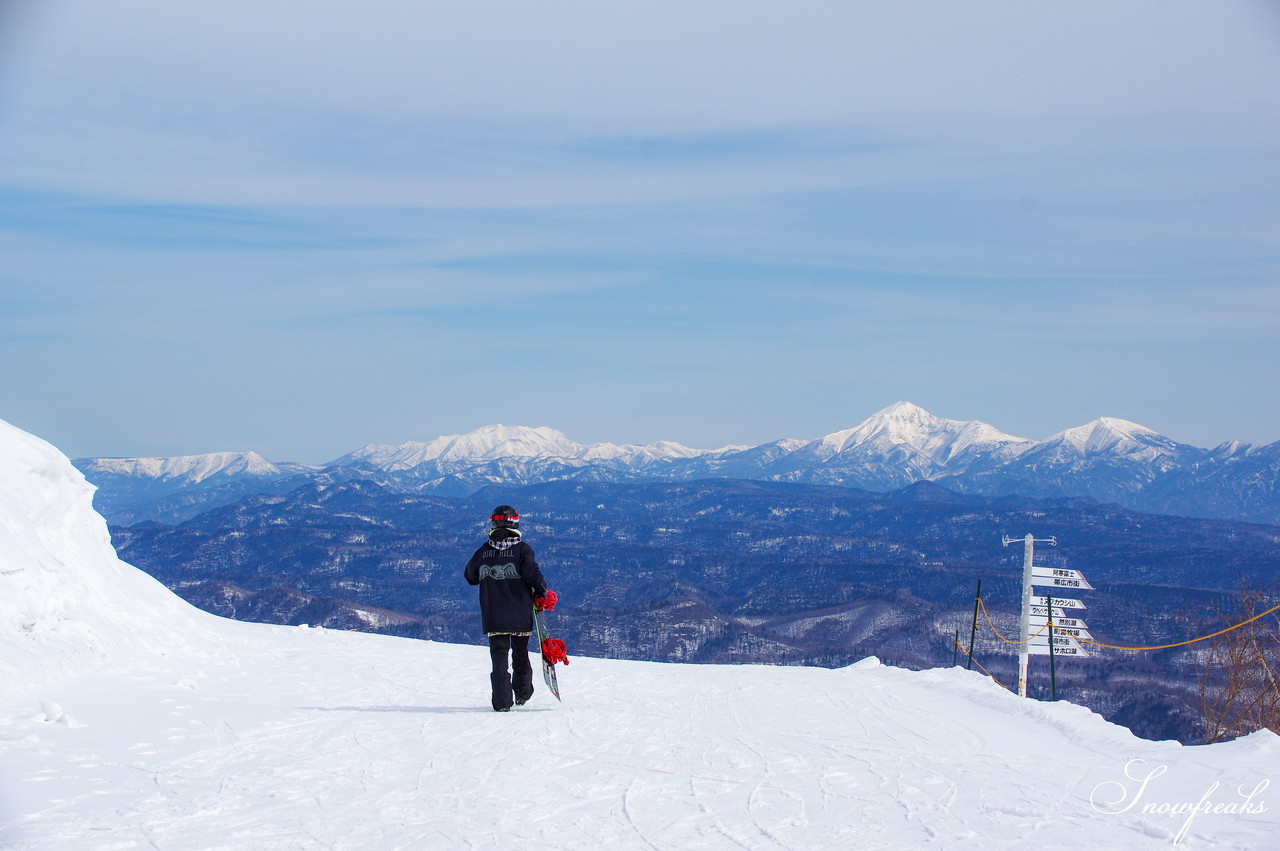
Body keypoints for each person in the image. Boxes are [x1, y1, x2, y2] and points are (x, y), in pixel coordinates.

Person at [463, 504, 554, 712]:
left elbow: (470, 576)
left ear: (493, 523)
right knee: (520, 652)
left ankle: (502, 702)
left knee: (498, 658)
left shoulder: (484, 551)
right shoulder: (522, 549)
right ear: (515, 522)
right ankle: (522, 692)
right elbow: (533, 574)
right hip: (520, 612)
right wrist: (541, 592)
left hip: (493, 614)